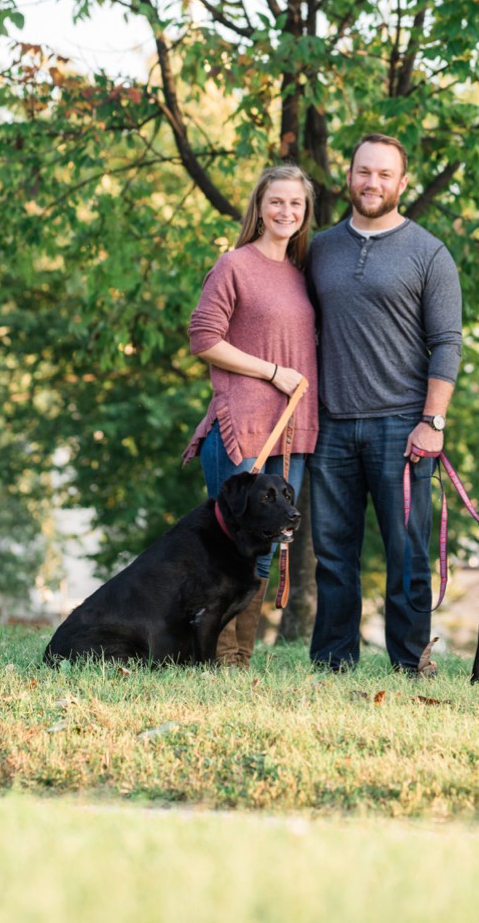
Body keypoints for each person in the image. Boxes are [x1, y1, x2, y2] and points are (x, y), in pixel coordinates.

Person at [306, 133, 462, 675]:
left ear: (402, 183)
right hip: (330, 426)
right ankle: (332, 664)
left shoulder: (429, 253)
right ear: (348, 177)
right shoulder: (319, 247)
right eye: (363, 171)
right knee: (332, 555)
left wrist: (432, 421)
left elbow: (447, 342)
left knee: (408, 556)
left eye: (384, 174)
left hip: (403, 427)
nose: (372, 183)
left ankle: (409, 662)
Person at [183, 164, 318, 666]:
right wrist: (273, 371)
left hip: (292, 432)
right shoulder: (234, 264)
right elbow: (203, 338)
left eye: (296, 204)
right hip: (245, 426)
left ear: (305, 215)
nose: (287, 211)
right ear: (259, 206)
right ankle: (212, 656)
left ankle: (238, 659)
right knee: (229, 541)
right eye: (277, 201)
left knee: (266, 542)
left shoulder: (301, 275)